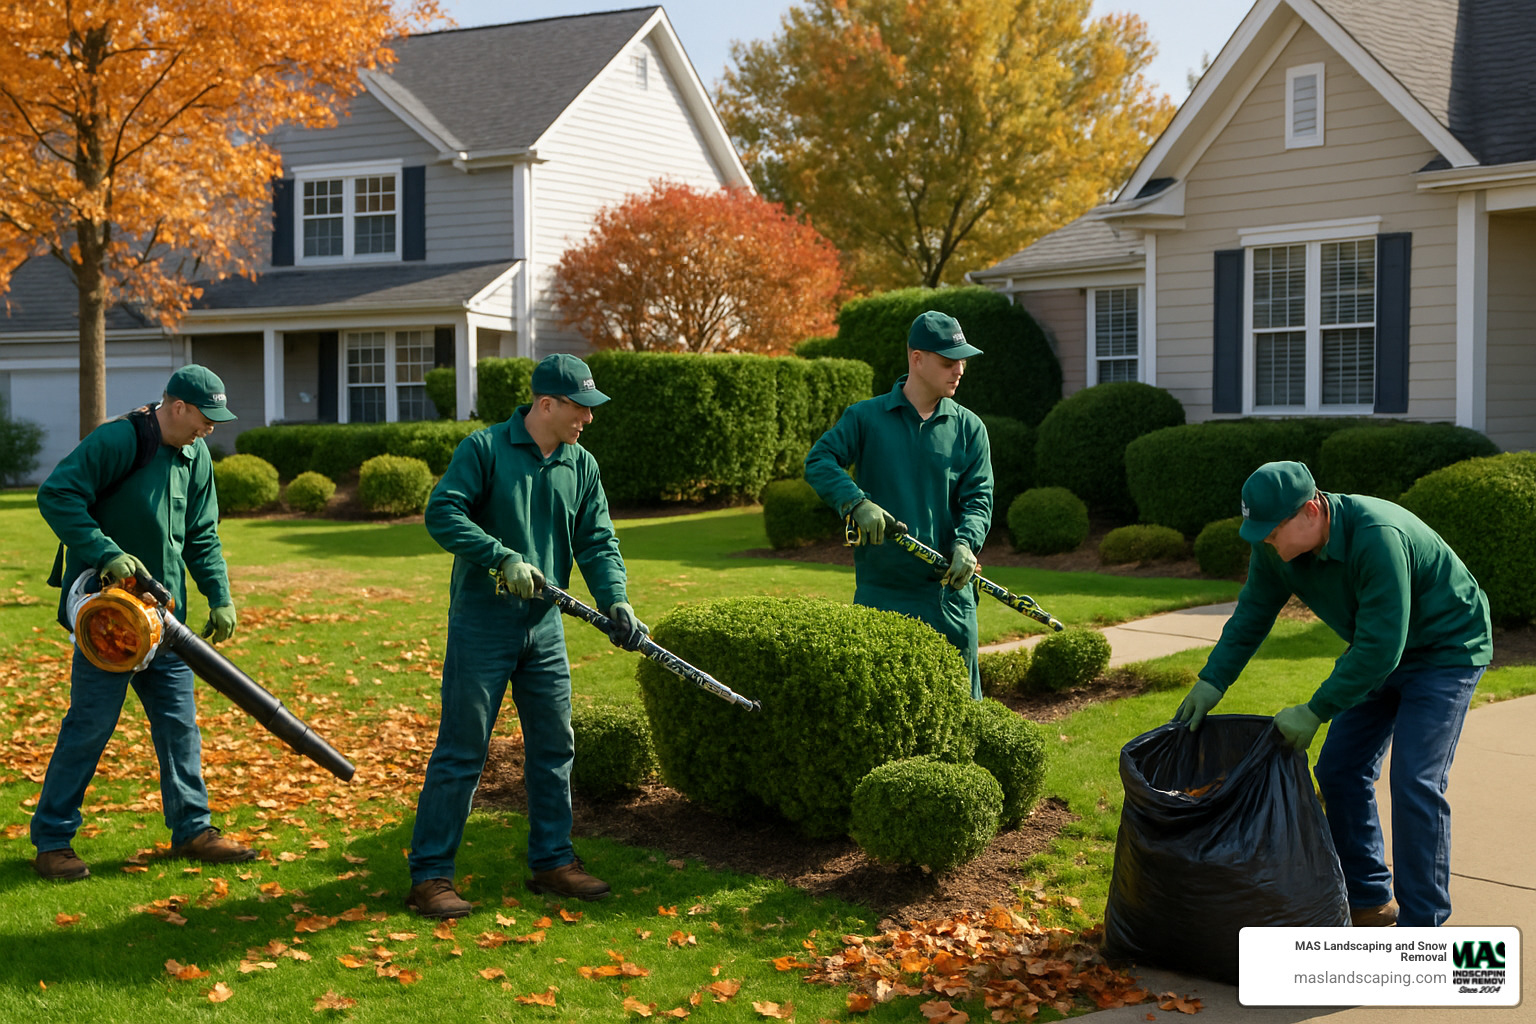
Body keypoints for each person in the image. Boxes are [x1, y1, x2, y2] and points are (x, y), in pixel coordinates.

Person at [1175, 461, 1492, 928]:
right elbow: (1252, 616)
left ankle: (1424, 924)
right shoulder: (1275, 550)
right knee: (1340, 770)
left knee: (1415, 782)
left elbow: (1382, 648)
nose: (1264, 540)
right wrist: (1213, 679)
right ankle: (1369, 897)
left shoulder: (1377, 536)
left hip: (1446, 651)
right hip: (1377, 649)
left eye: (1272, 529)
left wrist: (1315, 709)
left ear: (1311, 511)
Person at [404, 352, 649, 919]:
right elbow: (443, 513)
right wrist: (501, 558)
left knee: (553, 746)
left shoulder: (580, 465)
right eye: (579, 407)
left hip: (544, 629)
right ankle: (430, 877)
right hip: (482, 624)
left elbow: (598, 541)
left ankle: (553, 862)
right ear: (547, 403)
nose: (587, 418)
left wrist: (615, 596)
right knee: (464, 750)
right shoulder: (485, 450)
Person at [32, 365, 252, 880]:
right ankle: (53, 841)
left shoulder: (197, 457)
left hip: (168, 624)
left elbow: (202, 533)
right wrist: (104, 551)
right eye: (205, 418)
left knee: (180, 729)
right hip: (110, 620)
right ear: (177, 407)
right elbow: (57, 495)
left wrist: (219, 595)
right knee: (89, 727)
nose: (210, 429)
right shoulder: (118, 440)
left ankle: (193, 830)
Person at [804, 310, 993, 699]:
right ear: (916, 358)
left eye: (962, 361)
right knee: (884, 714)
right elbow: (819, 461)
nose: (959, 370)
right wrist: (855, 502)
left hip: (949, 599)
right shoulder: (865, 418)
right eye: (948, 361)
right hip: (882, 596)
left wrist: (965, 544)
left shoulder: (969, 428)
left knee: (962, 716)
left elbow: (979, 498)